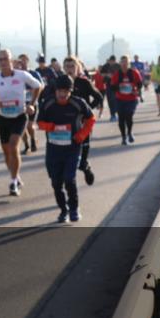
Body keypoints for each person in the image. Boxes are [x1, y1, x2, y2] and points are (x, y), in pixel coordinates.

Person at [36, 75, 96, 223]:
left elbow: (91, 119)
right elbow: (40, 122)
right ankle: (64, 210)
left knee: (69, 179)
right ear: (55, 91)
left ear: (70, 91)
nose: (62, 94)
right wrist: (51, 127)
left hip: (72, 148)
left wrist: (81, 135)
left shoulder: (78, 103)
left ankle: (74, 208)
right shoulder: (47, 103)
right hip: (53, 150)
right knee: (56, 182)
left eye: (66, 91)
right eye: (59, 91)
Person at [0, 49, 42, 196]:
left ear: (11, 60)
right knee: (6, 152)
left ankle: (13, 182)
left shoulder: (21, 75)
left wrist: (32, 104)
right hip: (3, 118)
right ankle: (15, 175)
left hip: (20, 116)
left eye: (5, 59)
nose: (2, 62)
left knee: (14, 145)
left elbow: (38, 85)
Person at [111, 55, 143, 145]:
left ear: (129, 63)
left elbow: (140, 84)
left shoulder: (134, 72)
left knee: (129, 116)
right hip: (120, 99)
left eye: (126, 62)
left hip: (131, 99)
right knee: (121, 118)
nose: (124, 64)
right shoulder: (117, 74)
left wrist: (136, 91)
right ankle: (123, 137)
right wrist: (120, 87)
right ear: (120, 63)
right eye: (123, 62)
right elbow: (112, 87)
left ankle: (129, 133)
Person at [18, 53, 43, 156]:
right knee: (21, 126)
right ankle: (27, 145)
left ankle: (32, 139)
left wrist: (34, 97)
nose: (22, 63)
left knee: (29, 125)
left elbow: (41, 86)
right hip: (20, 104)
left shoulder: (34, 73)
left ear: (28, 61)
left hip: (32, 102)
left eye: (24, 60)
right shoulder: (16, 74)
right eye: (20, 61)